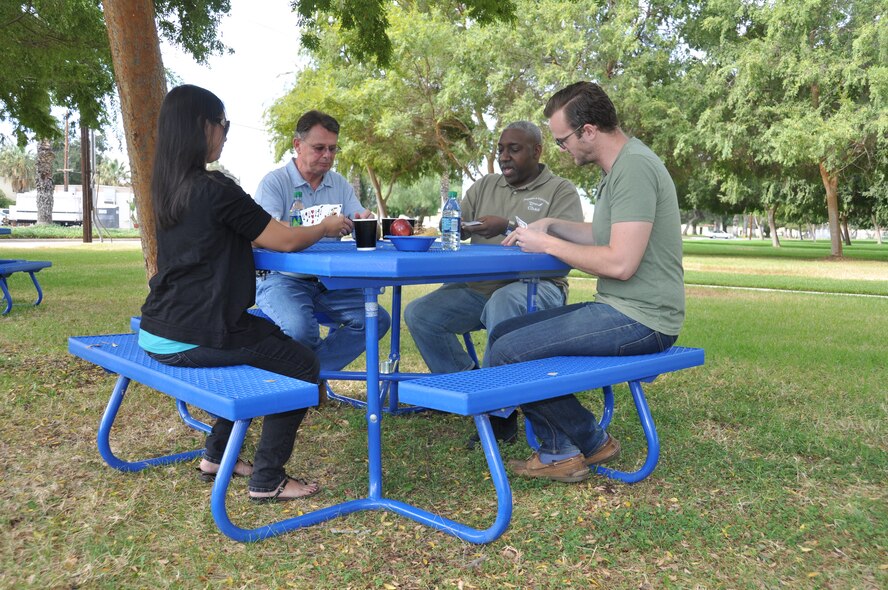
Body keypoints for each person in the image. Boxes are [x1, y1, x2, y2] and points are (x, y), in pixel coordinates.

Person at [139, 85, 354, 501]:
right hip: (194, 332)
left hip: (159, 326)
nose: (225, 134)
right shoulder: (216, 189)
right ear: (202, 127)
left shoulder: (168, 187)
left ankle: (218, 455)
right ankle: (268, 478)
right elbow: (285, 240)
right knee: (302, 363)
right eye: (223, 124)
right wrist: (326, 227)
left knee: (268, 342)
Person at [494, 81, 685, 483]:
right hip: (620, 309)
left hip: (644, 319)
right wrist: (553, 226)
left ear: (589, 131)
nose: (563, 150)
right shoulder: (620, 167)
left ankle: (575, 445)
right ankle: (573, 447)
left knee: (511, 351)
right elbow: (605, 235)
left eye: (563, 140)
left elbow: (619, 262)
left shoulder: (633, 169)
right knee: (504, 334)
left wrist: (548, 243)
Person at [403, 121, 583, 446]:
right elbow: (454, 227)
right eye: (500, 149)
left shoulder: (560, 190)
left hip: (536, 287)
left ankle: (500, 414)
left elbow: (567, 239)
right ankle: (471, 386)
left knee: (504, 303)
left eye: (513, 149)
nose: (504, 157)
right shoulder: (485, 185)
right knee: (420, 314)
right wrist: (453, 225)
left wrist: (509, 225)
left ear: (537, 151)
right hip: (478, 287)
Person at [254, 110, 391, 372]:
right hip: (283, 277)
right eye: (319, 148)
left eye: (332, 149)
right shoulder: (275, 183)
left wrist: (366, 222)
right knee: (300, 330)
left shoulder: (338, 184)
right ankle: (304, 377)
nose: (327, 155)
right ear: (297, 145)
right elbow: (265, 231)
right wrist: (322, 228)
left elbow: (361, 219)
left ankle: (308, 374)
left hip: (331, 280)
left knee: (376, 321)